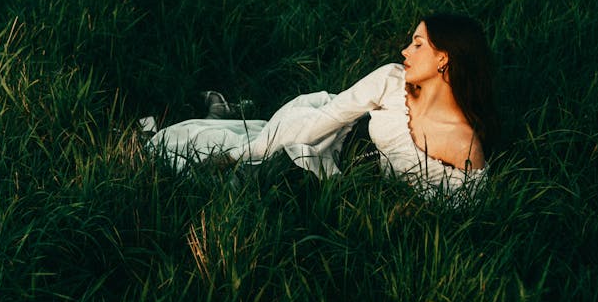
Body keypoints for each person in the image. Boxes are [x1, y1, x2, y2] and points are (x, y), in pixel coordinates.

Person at [148, 13, 498, 201]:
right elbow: (331, 116)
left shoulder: (461, 144)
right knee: (236, 164)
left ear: (444, 59)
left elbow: (461, 208)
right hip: (328, 134)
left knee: (248, 187)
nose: (405, 50)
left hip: (346, 180)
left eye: (418, 44)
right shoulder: (393, 80)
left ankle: (222, 113)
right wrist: (243, 153)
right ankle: (220, 115)